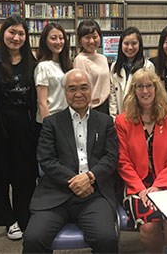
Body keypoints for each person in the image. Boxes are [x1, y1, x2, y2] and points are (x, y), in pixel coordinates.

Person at [23, 69, 119, 253]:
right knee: (33, 239)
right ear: (65, 92)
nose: (78, 94)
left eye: (84, 88)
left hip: (95, 194)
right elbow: (46, 160)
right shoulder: (51, 123)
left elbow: (111, 157)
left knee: (106, 239)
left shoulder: (105, 122)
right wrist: (76, 181)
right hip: (55, 194)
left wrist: (89, 177)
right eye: (72, 89)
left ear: (91, 90)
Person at [0, 15, 38, 240]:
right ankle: (9, 220)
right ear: (3, 33)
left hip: (24, 127)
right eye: (12, 32)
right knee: (0, 175)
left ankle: (25, 217)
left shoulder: (31, 61)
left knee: (25, 175)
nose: (16, 37)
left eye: (21, 33)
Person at [115, 68, 167, 253]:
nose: (145, 91)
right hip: (137, 185)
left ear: (156, 89)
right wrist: (141, 190)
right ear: (133, 91)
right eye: (140, 86)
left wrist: (158, 187)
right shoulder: (123, 122)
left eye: (149, 86)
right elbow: (123, 162)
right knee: (149, 226)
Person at [109, 26, 154, 118]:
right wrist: (114, 118)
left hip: (141, 117)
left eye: (134, 43)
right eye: (126, 43)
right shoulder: (114, 66)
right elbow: (112, 96)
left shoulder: (148, 66)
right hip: (120, 118)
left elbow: (150, 95)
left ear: (140, 45)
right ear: (121, 45)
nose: (130, 47)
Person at [34, 22, 72, 125]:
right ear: (45, 41)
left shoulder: (66, 65)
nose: (58, 42)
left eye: (61, 38)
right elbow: (42, 103)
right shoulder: (43, 66)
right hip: (51, 120)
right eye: (53, 38)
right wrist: (48, 127)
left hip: (66, 119)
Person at [73, 19, 110, 114]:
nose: (92, 41)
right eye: (87, 37)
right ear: (80, 40)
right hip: (91, 108)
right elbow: (81, 89)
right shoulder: (80, 59)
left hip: (107, 105)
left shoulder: (103, 58)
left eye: (95, 37)